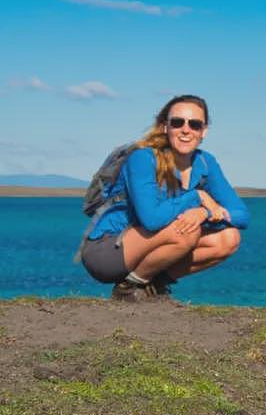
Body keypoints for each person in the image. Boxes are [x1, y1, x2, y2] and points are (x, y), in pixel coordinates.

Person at [80, 94, 249, 301]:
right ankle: (127, 288)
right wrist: (196, 196)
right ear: (165, 127)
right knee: (186, 232)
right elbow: (152, 220)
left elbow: (241, 215)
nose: (186, 130)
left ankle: (152, 286)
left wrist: (203, 212)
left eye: (194, 124)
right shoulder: (143, 158)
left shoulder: (205, 163)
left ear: (203, 131)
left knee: (229, 238)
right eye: (178, 123)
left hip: (153, 244)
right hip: (108, 250)